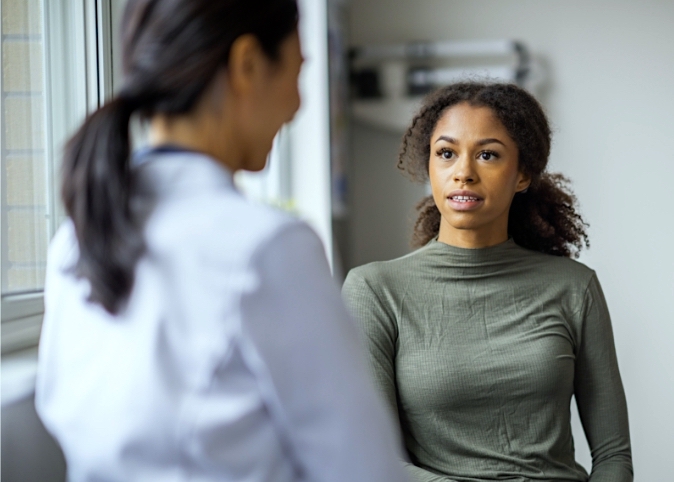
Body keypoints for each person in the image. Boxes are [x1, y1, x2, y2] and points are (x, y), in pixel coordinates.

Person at [35, 1, 409, 481]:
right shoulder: (267, 247)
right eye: (297, 72)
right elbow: (363, 470)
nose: (297, 105)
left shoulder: (75, 239)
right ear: (247, 64)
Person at [342, 82, 633, 482]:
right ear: (428, 165)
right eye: (446, 153)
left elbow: (614, 455)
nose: (463, 172)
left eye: (487, 155)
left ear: (522, 175)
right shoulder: (374, 290)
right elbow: (369, 459)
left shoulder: (575, 287)